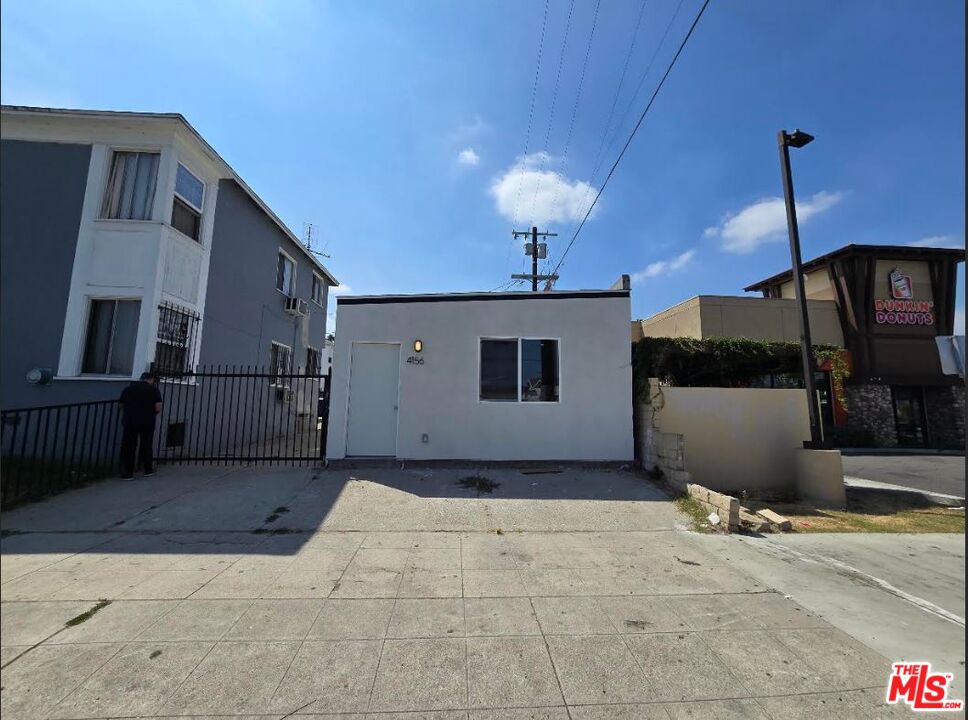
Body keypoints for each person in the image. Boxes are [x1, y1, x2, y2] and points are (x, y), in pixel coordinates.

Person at [119, 371, 163, 479]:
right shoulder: (153, 390)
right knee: (146, 444)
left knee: (129, 446)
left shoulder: (129, 389)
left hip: (130, 420)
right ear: (151, 379)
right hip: (147, 421)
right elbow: (158, 407)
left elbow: (121, 405)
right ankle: (147, 469)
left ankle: (128, 473)